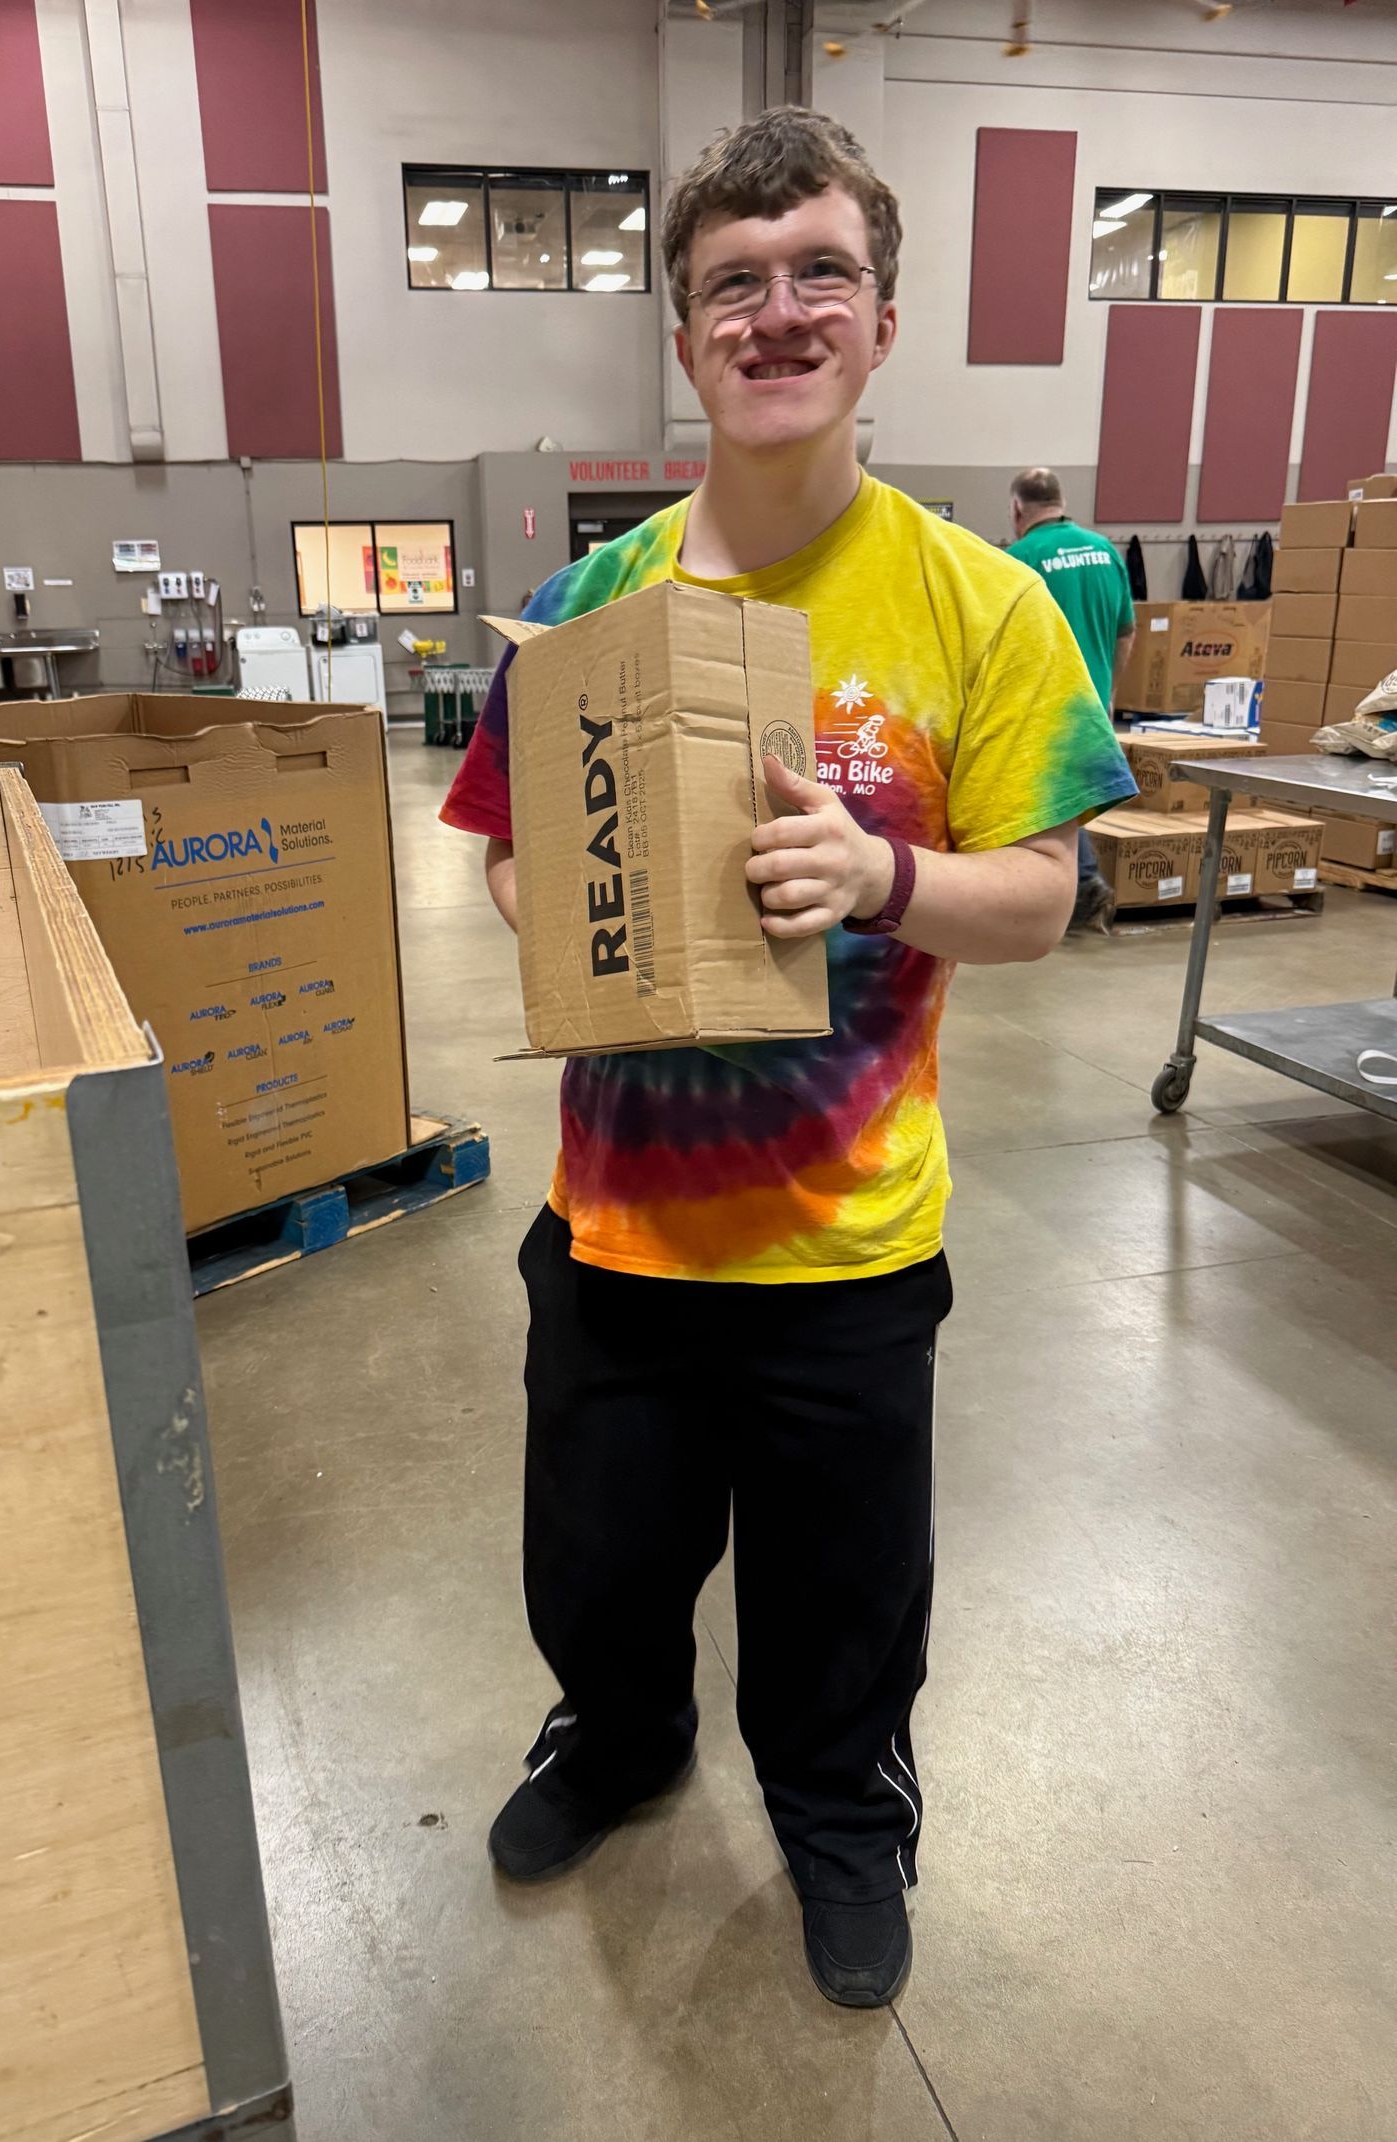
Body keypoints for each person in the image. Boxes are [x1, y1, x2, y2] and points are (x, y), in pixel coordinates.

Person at [439, 108, 1136, 2009]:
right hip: (620, 1224)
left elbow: (1046, 895)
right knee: (596, 1561)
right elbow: (504, 843)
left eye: (817, 272)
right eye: (731, 284)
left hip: (844, 1238)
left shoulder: (982, 607)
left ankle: (837, 1815)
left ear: (880, 321)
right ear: (683, 336)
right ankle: (620, 1737)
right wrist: (585, 919)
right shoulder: (589, 609)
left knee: (841, 1604)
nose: (775, 313)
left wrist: (880, 870)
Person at [1006, 468, 1138, 930]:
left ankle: (1078, 887)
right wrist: (1110, 692)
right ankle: (1080, 884)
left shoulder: (1019, 558)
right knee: (1074, 792)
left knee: (1048, 801)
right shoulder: (1105, 552)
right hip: (1093, 695)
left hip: (1039, 700)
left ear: (1018, 509)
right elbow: (1126, 632)